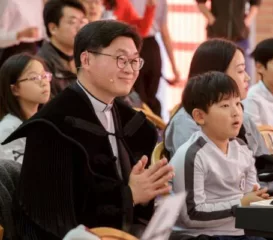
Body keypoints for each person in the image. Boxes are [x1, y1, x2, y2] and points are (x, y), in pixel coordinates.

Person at [3, 20, 174, 239]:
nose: (130, 70)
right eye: (121, 60)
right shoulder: (52, 126)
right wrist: (128, 195)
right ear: (86, 59)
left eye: (134, 61)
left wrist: (151, 193)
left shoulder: (133, 123)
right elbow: (55, 215)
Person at [164, 39, 273, 193]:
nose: (247, 78)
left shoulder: (243, 117)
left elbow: (264, 164)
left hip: (256, 199)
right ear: (216, 75)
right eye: (241, 70)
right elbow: (213, 185)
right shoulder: (187, 122)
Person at [169, 72, 268, 240]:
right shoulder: (193, 155)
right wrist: (240, 205)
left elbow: (250, 193)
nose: (236, 112)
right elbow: (191, 215)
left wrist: (256, 199)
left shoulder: (242, 147)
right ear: (200, 116)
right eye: (225, 106)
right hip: (200, 235)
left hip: (239, 231)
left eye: (237, 103)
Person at [130, 0, 181, 116]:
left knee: (148, 96)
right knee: (139, 97)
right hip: (136, 44)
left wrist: (174, 66)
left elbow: (164, 32)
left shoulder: (161, 2)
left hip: (150, 47)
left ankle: (155, 129)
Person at [0, 53, 51, 163]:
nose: (44, 83)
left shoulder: (47, 121)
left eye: (44, 76)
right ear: (15, 89)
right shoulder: (9, 130)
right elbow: (17, 175)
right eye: (34, 78)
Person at [195, 0, 262, 73]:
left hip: (240, 36)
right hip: (217, 36)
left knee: (242, 70)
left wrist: (246, 23)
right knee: (215, 70)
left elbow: (255, 4)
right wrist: (213, 21)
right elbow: (200, 3)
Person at [38, 0, 88, 96]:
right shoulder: (41, 65)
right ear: (53, 28)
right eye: (72, 22)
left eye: (82, 21)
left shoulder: (88, 57)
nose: (80, 28)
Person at [0, 0, 45, 67]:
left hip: (35, 50)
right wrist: (20, 34)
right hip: (12, 53)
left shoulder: (38, 2)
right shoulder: (9, 2)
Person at [80, 0, 156, 38]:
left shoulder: (120, 3)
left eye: (96, 2)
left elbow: (141, 30)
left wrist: (150, 8)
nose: (93, 6)